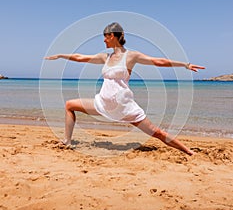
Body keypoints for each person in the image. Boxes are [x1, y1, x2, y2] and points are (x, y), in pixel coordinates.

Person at [45, 22, 205, 155]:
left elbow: (158, 61)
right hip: (102, 103)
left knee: (156, 132)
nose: (104, 41)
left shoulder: (131, 56)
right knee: (69, 105)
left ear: (113, 36)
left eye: (105, 37)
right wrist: (61, 55)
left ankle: (189, 152)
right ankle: (67, 141)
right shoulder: (105, 57)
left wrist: (185, 65)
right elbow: (80, 58)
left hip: (124, 107)